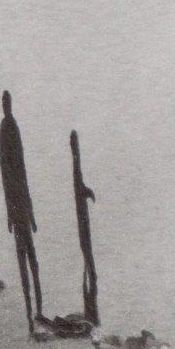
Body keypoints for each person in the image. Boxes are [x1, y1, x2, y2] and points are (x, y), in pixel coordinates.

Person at [0, 90, 43, 334]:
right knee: (22, 254)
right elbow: (5, 170)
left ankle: (36, 308)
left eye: (7, 102)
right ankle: (30, 308)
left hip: (21, 202)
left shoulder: (11, 128)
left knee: (30, 254)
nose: (6, 105)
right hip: (16, 203)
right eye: (4, 103)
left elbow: (19, 169)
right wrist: (9, 210)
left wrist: (30, 211)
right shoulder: (6, 129)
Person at [70, 131, 99, 326]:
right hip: (84, 226)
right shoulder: (78, 180)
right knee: (88, 261)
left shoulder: (77, 179)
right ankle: (91, 311)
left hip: (83, 226)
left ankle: (90, 308)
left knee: (87, 258)